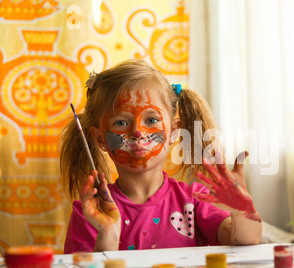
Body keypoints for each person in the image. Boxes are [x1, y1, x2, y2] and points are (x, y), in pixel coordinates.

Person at [60, 59, 262, 253]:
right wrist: (107, 233)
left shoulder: (196, 201)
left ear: (175, 131)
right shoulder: (90, 212)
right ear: (100, 138)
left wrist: (242, 210)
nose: (138, 132)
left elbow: (247, 240)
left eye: (151, 119)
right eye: (121, 123)